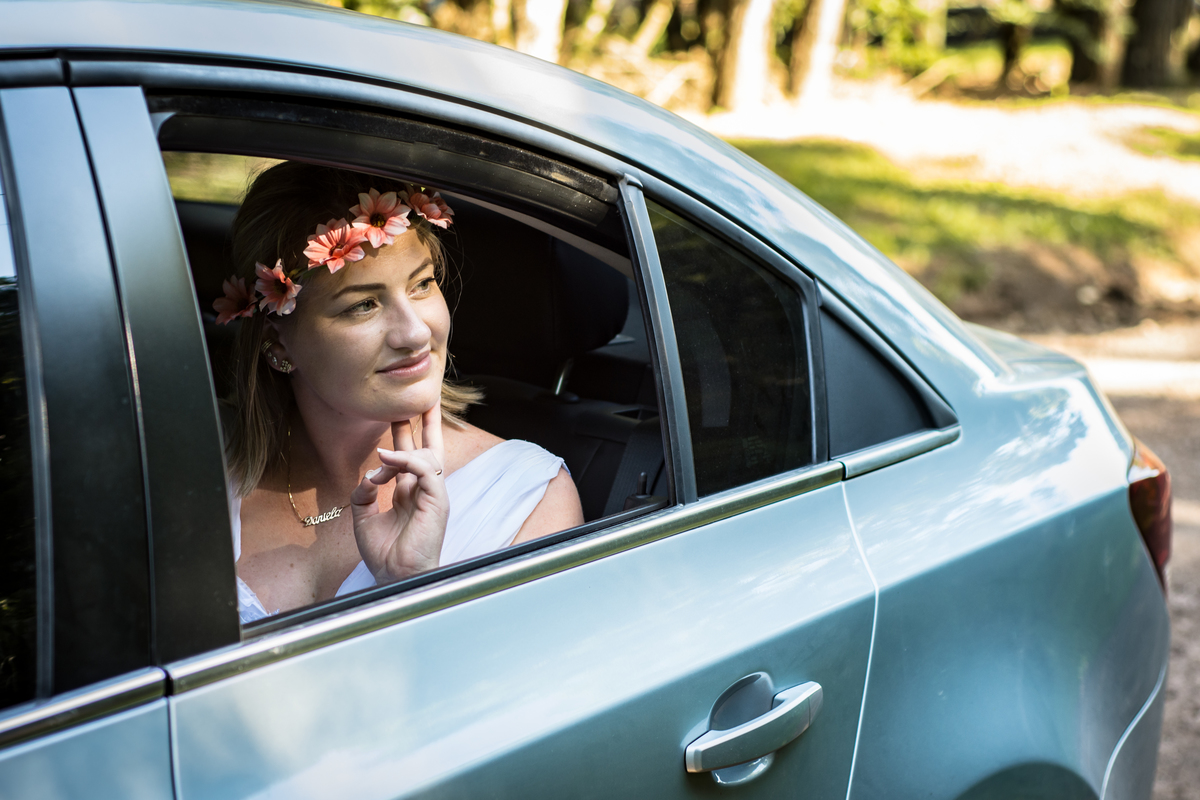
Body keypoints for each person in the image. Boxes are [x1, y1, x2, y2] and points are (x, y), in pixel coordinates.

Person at [212, 162, 584, 623]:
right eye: (363, 305)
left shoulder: (526, 497)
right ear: (276, 340)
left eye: (422, 284)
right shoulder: (198, 462)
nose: (414, 333)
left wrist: (412, 587)